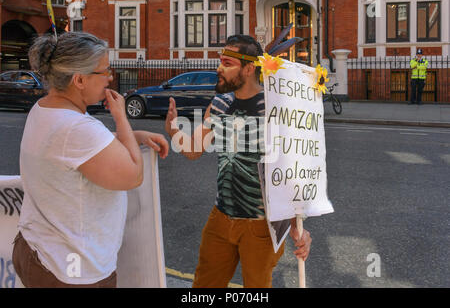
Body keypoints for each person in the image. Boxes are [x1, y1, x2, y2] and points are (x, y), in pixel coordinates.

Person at [12, 32, 169, 288]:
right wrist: (121, 117)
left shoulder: (44, 108)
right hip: (71, 270)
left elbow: (80, 151)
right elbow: (132, 176)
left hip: (36, 249)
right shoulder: (77, 128)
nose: (110, 78)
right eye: (104, 71)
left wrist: (134, 136)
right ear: (80, 79)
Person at [165, 35, 311, 288]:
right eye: (220, 61)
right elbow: (195, 150)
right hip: (220, 217)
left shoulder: (275, 107)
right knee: (204, 287)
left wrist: (297, 225)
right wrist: (173, 131)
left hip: (261, 224)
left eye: (227, 63)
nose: (219, 68)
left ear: (248, 68)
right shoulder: (220, 103)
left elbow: (293, 169)